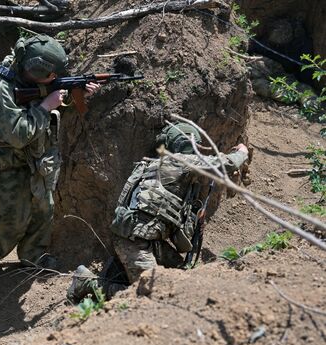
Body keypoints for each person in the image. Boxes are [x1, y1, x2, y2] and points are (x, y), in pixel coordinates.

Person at [67, 122, 249, 302]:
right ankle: (87, 282)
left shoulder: (154, 165)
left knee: (183, 277)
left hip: (145, 240)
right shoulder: (181, 162)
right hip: (136, 243)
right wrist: (242, 152)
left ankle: (120, 270)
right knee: (150, 296)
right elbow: (227, 163)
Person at [0, 34, 99, 278]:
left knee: (43, 210)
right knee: (15, 218)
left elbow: (50, 92)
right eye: (52, 76)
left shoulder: (29, 73)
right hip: (5, 163)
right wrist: (46, 106)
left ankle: (33, 256)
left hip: (35, 159)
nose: (55, 79)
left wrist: (75, 92)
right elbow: (16, 135)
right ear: (36, 70)